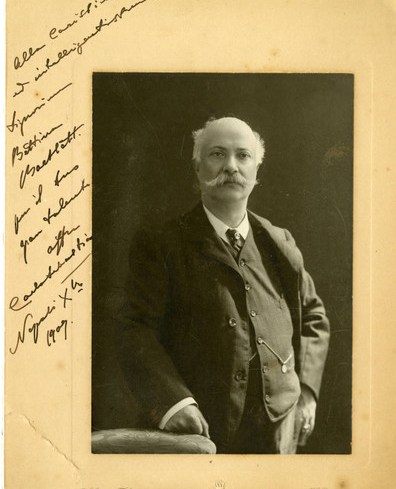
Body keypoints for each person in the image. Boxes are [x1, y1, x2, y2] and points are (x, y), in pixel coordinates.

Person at [116, 116, 330, 454]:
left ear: (256, 172)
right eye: (217, 154)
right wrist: (174, 402)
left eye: (243, 156)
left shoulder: (278, 243)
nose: (231, 166)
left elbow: (313, 316)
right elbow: (134, 329)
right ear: (197, 168)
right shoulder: (161, 244)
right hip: (198, 431)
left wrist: (306, 391)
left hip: (277, 434)